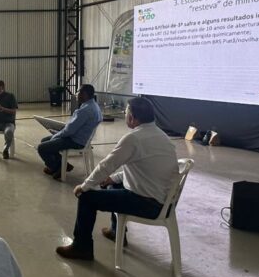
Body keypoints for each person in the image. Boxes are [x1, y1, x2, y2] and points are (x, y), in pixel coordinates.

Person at [56, 96, 179, 262]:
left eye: (126, 112)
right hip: (164, 202)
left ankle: (81, 247)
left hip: (148, 204)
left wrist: (84, 186)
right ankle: (116, 231)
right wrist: (112, 179)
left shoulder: (134, 138)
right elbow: (143, 170)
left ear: (132, 117)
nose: (125, 114)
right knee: (114, 184)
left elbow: (107, 165)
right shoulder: (161, 135)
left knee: (86, 198)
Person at [37, 84, 102, 180]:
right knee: (45, 140)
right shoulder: (94, 106)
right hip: (82, 138)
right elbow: (73, 127)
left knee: (42, 148)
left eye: (78, 92)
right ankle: (63, 165)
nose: (76, 94)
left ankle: (57, 167)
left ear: (84, 94)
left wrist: (56, 134)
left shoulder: (85, 110)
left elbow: (69, 131)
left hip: (75, 141)